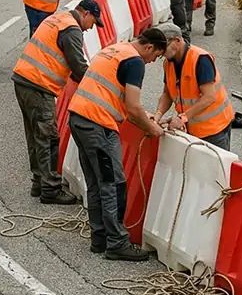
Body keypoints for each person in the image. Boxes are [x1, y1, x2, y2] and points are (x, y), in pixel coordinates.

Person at [67, 27, 168, 260]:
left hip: (79, 117)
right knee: (113, 183)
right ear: (150, 47)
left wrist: (146, 115)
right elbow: (133, 107)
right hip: (97, 124)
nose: (153, 62)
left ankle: (100, 238)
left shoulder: (115, 49)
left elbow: (115, 93)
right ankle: (117, 242)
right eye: (156, 56)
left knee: (95, 181)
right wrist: (152, 128)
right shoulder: (135, 62)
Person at [11, 0, 103, 204]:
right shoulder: (72, 30)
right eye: (93, 23)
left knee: (35, 135)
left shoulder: (58, 18)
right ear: (86, 14)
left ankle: (39, 181)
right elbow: (79, 66)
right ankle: (50, 189)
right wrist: (98, 91)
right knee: (48, 137)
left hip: (23, 80)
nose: (90, 29)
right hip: (38, 85)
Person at [154, 26, 235, 151]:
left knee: (215, 169)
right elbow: (167, 94)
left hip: (214, 128)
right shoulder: (168, 63)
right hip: (191, 128)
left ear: (177, 40)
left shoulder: (200, 59)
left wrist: (182, 118)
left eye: (164, 47)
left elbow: (209, 97)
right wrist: (158, 115)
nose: (161, 52)